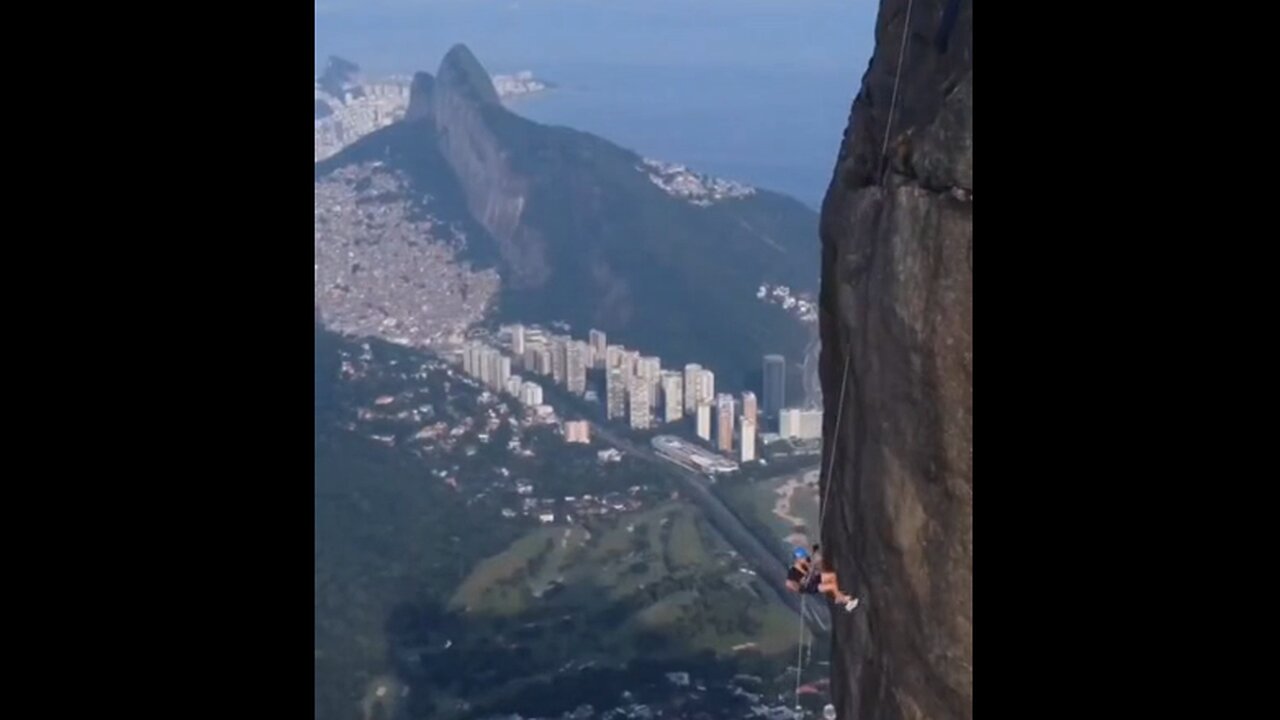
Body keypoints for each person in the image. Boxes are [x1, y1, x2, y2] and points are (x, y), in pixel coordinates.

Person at [785, 545, 859, 612]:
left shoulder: (805, 563)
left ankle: (837, 596)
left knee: (832, 576)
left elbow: (811, 566)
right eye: (803, 558)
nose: (805, 559)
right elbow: (789, 583)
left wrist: (811, 566)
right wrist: (799, 587)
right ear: (798, 559)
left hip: (814, 579)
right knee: (832, 586)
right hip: (810, 587)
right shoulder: (793, 572)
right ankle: (847, 603)